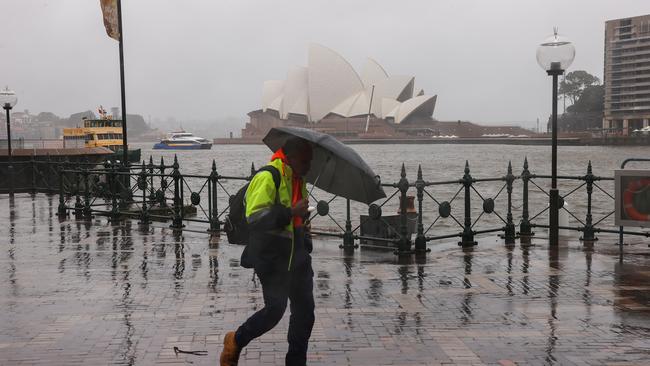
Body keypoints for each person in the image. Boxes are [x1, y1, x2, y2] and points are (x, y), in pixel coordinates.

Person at [220, 137, 315, 366]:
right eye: (304, 162)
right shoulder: (267, 177)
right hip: (272, 258)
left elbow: (294, 222)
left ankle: (296, 362)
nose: (308, 167)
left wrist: (303, 217)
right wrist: (291, 212)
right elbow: (255, 218)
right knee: (275, 309)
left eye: (310, 162)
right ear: (290, 158)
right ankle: (237, 339)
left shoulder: (298, 180)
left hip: (298, 257)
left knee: (305, 313)